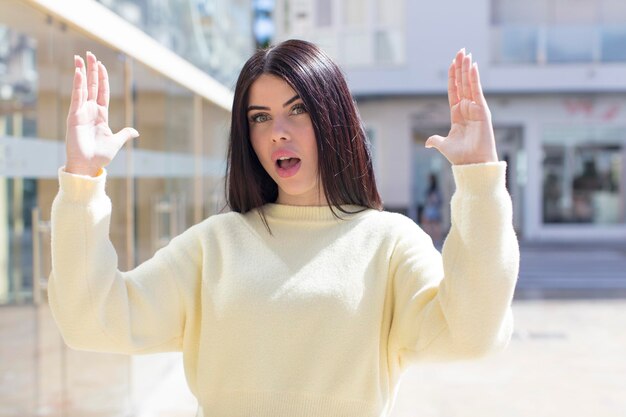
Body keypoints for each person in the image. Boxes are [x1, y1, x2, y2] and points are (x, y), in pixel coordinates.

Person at [48, 40, 519, 416]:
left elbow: (472, 333)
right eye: (260, 118)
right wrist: (82, 185)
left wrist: (479, 183)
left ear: (334, 118)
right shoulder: (215, 245)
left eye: (298, 110)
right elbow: (91, 320)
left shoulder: (388, 242)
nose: (278, 131)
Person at [421, 173, 443, 246]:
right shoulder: (432, 189)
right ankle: (433, 241)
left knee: (433, 226)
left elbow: (438, 201)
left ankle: (435, 241)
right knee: (430, 226)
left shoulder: (435, 190)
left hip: (432, 210)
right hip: (431, 209)